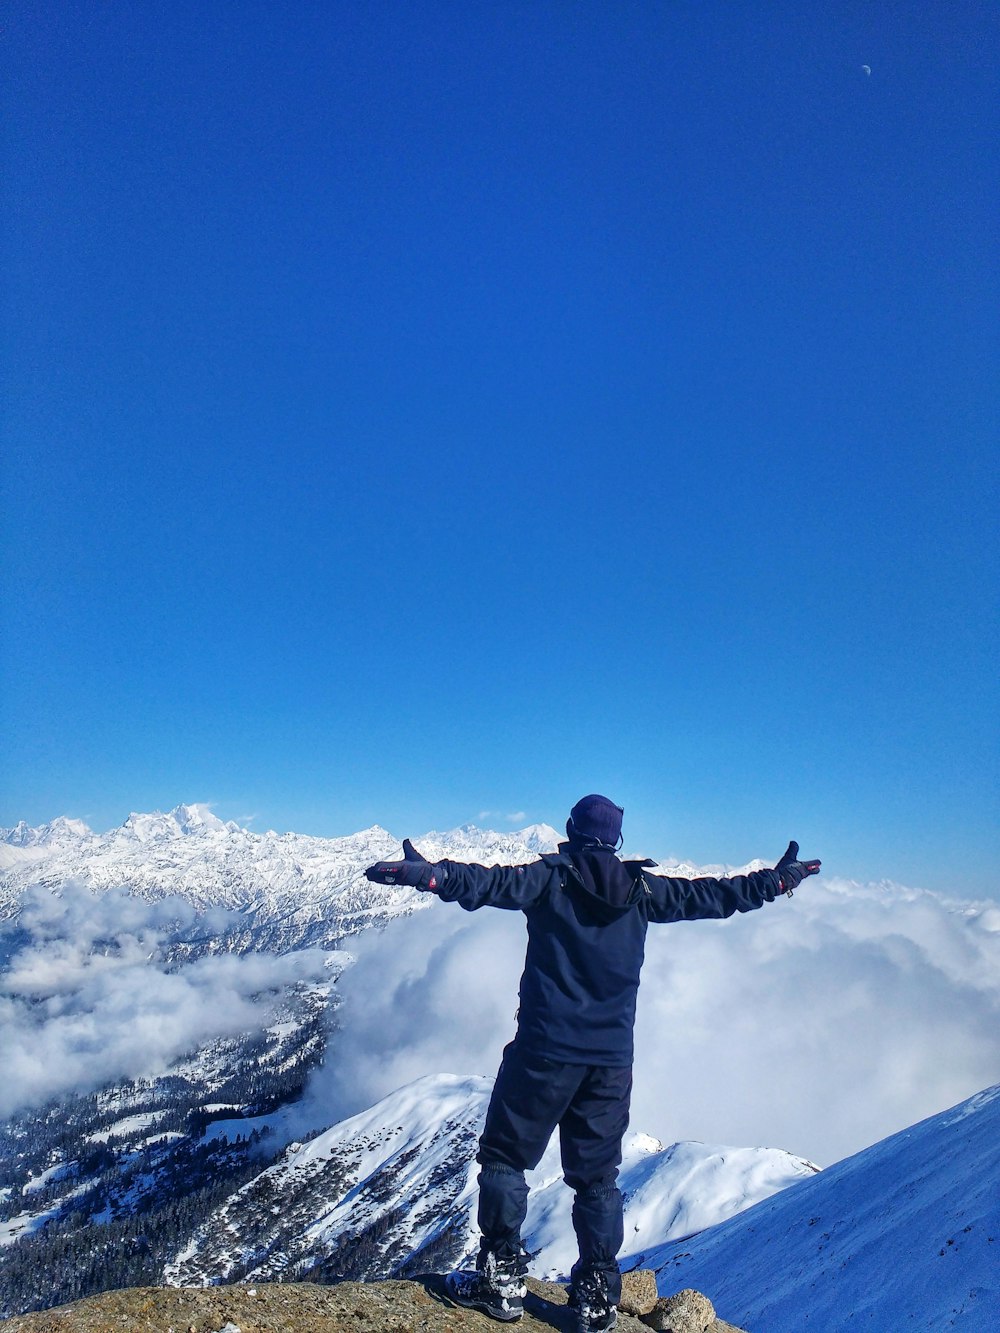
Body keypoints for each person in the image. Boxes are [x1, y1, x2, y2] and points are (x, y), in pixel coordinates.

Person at [365, 795, 820, 1332]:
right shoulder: (646, 890)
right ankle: (597, 1300)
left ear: (571, 830)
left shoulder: (548, 879)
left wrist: (430, 875)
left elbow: (483, 883)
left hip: (542, 1054)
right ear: (618, 840)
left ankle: (501, 1281)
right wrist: (777, 881)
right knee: (598, 1180)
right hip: (609, 1064)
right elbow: (716, 896)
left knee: (506, 1160)